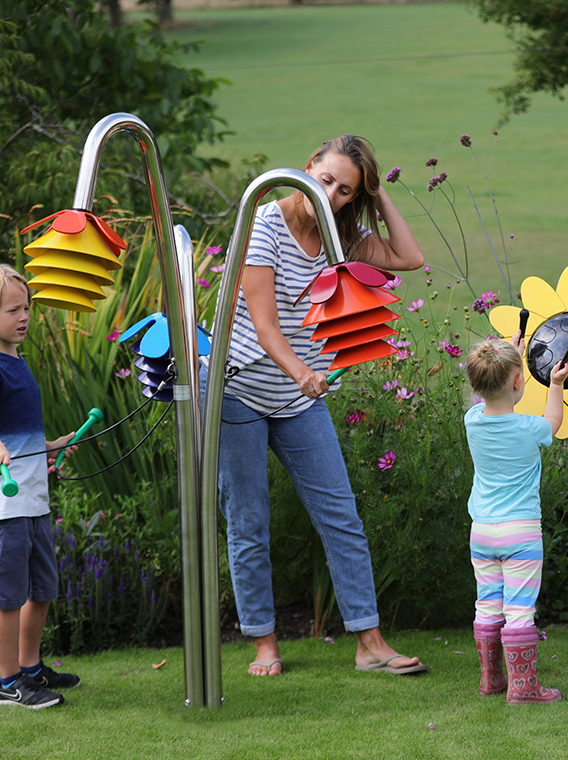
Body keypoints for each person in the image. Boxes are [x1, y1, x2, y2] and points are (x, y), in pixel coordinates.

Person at [213, 135, 427, 677]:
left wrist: (378, 198)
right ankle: (264, 645)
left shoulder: (345, 235)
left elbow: (410, 257)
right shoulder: (264, 222)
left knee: (341, 517)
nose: (328, 193)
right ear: (307, 168)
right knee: (248, 522)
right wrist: (303, 371)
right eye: (325, 178)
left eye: (344, 190)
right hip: (238, 391)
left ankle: (370, 643)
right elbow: (263, 324)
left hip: (298, 399)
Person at [0, 265, 78, 708]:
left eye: (26, 307)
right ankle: (9, 684)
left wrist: (51, 446)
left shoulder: (17, 362)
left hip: (30, 499)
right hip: (1, 506)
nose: (24, 316)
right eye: (13, 310)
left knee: (42, 587)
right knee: (10, 596)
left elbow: (18, 430)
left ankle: (30, 667)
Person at [464, 335, 568, 704]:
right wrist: (555, 384)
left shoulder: (472, 420)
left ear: (477, 382)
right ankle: (524, 689)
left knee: (487, 604)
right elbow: (553, 421)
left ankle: (491, 681)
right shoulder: (529, 428)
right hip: (520, 533)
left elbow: (490, 387)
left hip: (482, 533)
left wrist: (503, 356)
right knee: (519, 609)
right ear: (518, 381)